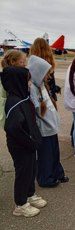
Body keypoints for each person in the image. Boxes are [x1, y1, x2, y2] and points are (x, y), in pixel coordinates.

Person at [1, 58, 46, 217]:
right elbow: (12, 127)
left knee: (31, 169)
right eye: (26, 81)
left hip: (29, 144)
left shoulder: (24, 98)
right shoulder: (14, 101)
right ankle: (20, 204)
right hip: (21, 145)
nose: (29, 84)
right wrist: (30, 141)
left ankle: (30, 194)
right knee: (23, 172)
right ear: (18, 82)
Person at [28, 55, 68, 187]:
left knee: (54, 153)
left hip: (51, 128)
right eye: (46, 73)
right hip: (44, 129)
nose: (49, 77)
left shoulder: (42, 86)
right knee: (46, 155)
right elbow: (37, 109)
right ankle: (46, 178)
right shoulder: (33, 88)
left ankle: (57, 173)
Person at [0, 50, 27, 128]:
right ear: (12, 62)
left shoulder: (8, 75)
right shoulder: (9, 78)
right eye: (22, 62)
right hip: (11, 115)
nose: (25, 65)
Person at [29, 38, 61, 102]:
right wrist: (55, 88)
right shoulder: (48, 64)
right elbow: (50, 84)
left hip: (37, 97)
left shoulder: (32, 64)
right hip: (48, 98)